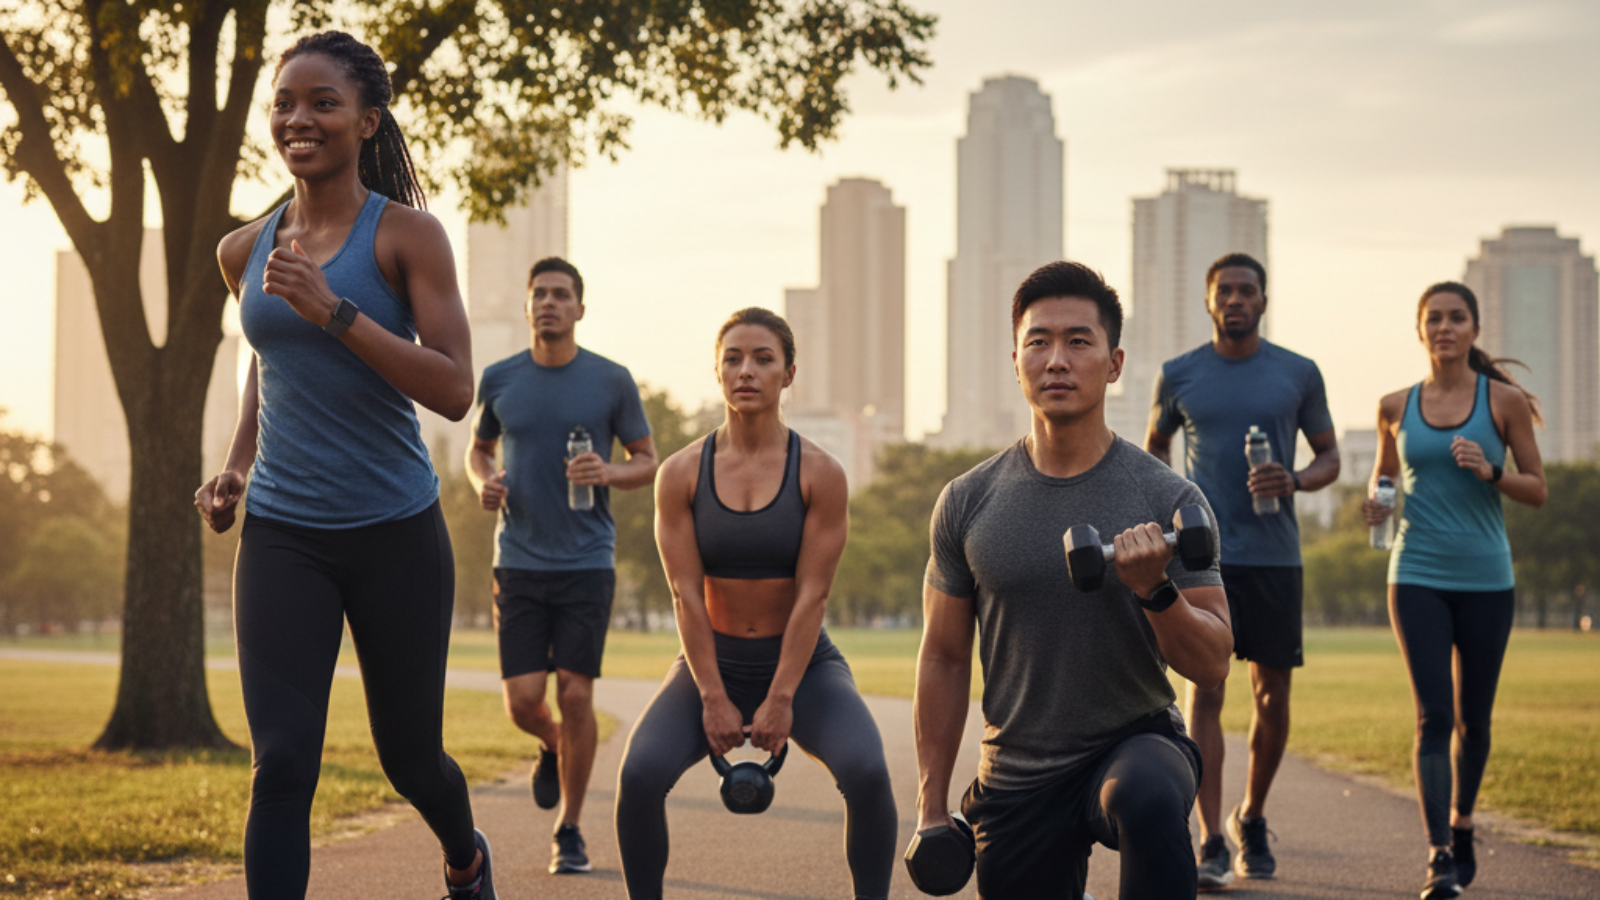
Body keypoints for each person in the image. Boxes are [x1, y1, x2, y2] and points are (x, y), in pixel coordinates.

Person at [194, 31, 493, 900]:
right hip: (285, 533)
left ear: (367, 121)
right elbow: (268, 361)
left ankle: (464, 856)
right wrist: (237, 466)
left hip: (394, 530)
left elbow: (453, 388)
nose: (299, 118)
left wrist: (336, 312)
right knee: (282, 762)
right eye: (285, 103)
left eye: (323, 103)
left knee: (411, 759)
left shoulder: (408, 237)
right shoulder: (242, 251)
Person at [916, 261, 1233, 900]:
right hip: (1018, 770)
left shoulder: (1169, 496)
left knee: (1144, 796)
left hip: (1135, 742)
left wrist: (1155, 590)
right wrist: (929, 807)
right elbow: (945, 658)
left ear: (1114, 364)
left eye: (1078, 342)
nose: (1056, 359)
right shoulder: (967, 501)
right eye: (1039, 342)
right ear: (1016, 360)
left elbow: (1214, 662)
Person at [614, 307, 898, 900]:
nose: (747, 371)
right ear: (717, 373)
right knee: (639, 775)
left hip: (803, 665)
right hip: (710, 663)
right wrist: (713, 696)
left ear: (788, 373)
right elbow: (684, 595)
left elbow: (813, 596)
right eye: (733, 359)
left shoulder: (820, 472)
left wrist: (782, 696)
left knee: (868, 773)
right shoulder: (680, 474)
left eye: (763, 359)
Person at [1143, 252, 1340, 887]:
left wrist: (1297, 478)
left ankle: (1249, 816)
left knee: (1271, 695)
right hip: (1205, 561)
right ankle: (1209, 840)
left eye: (1245, 290)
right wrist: (1173, 514)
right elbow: (1154, 452)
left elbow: (1331, 456)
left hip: (1276, 555)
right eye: (1223, 290)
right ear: (1208, 301)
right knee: (1207, 688)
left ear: (1263, 300)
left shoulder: (1298, 373)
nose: (1234, 299)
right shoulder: (1178, 375)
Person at [466, 255, 657, 874]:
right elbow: (479, 447)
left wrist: (610, 471)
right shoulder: (499, 378)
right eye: (540, 294)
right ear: (528, 307)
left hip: (586, 559)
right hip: (517, 559)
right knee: (523, 704)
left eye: (561, 294)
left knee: (576, 693)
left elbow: (648, 460)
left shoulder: (611, 380)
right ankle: (553, 746)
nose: (549, 303)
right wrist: (483, 482)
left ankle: (569, 828)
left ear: (579, 308)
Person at [1362, 282, 1545, 900]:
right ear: (1420, 330)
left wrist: (1492, 471)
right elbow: (1385, 477)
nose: (1445, 327)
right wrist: (1375, 507)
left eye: (1456, 317)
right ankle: (1440, 853)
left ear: (1474, 329)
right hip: (1415, 572)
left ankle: (1464, 823)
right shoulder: (1395, 404)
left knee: (1476, 719)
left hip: (1488, 577)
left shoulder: (1505, 402)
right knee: (1433, 716)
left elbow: (1537, 488)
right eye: (1433, 318)